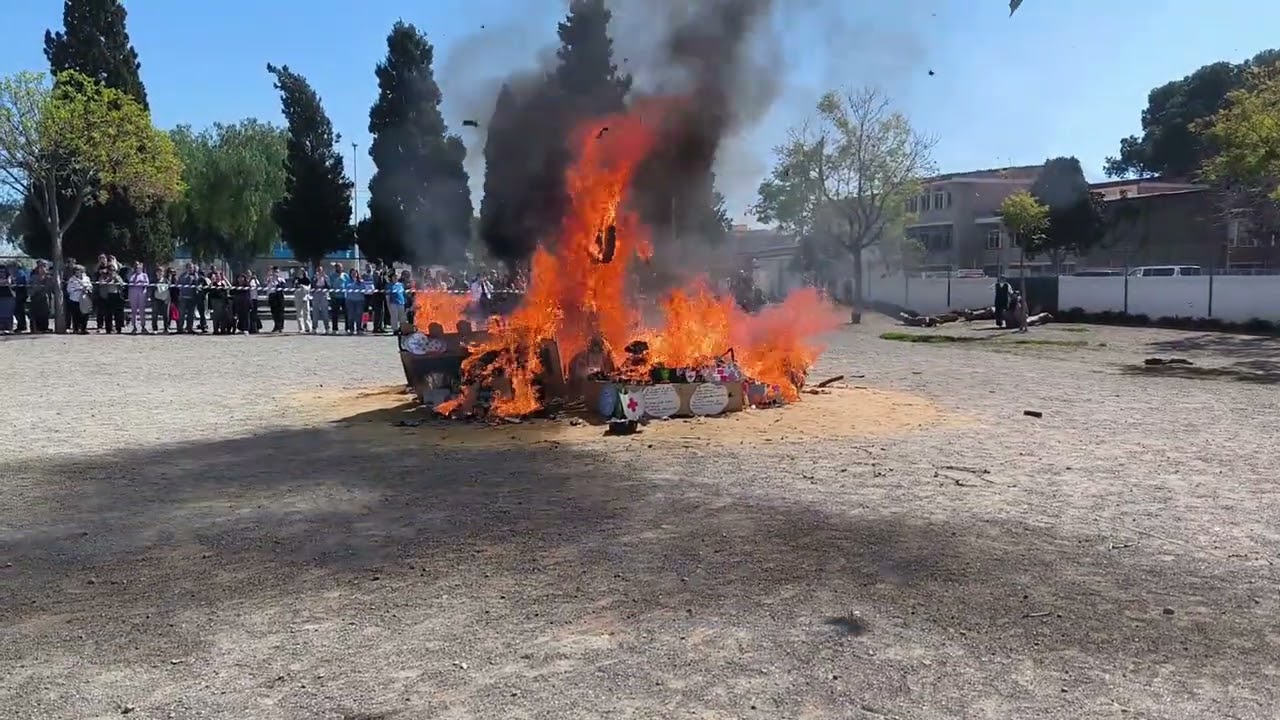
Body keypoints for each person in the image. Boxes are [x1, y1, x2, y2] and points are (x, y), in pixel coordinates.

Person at [28, 261, 56, 333]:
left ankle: (44, 328)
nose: (42, 269)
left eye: (44, 266)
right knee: (35, 314)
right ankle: (35, 329)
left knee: (45, 313)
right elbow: (32, 288)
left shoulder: (49, 277)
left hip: (45, 297)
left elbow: (52, 288)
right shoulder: (33, 277)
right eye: (40, 267)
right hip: (35, 297)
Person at [96, 264, 124, 333]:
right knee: (108, 314)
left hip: (117, 295)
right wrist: (108, 279)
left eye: (113, 270)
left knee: (118, 313)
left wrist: (116, 279)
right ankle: (108, 328)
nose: (112, 271)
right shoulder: (104, 276)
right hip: (108, 296)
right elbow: (100, 283)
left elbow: (122, 284)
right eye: (110, 270)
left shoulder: (117, 276)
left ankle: (118, 328)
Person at [66, 265, 92, 334]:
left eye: (79, 271)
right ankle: (76, 329)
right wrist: (79, 289)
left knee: (85, 314)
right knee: (76, 315)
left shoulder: (86, 278)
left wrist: (87, 288)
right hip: (75, 299)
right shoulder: (71, 279)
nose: (78, 273)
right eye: (76, 271)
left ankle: (84, 329)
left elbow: (90, 286)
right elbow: (69, 289)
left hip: (85, 298)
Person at [127, 261, 150, 333]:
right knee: (133, 311)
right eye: (137, 267)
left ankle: (143, 326)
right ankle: (134, 326)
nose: (138, 268)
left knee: (142, 311)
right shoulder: (132, 275)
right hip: (133, 294)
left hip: (142, 294)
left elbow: (147, 283)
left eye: (139, 267)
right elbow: (130, 282)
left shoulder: (144, 275)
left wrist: (141, 283)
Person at [177, 263, 200, 333]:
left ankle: (189, 328)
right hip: (183, 297)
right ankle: (180, 328)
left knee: (191, 314)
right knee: (182, 314)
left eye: (192, 268)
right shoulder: (182, 275)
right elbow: (179, 283)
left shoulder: (195, 276)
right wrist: (187, 275)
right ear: (186, 268)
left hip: (192, 298)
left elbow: (197, 284)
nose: (191, 269)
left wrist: (196, 277)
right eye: (190, 268)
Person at [327, 262, 347, 334]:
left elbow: (348, 284)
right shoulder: (332, 276)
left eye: (340, 267)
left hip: (344, 297)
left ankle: (347, 328)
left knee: (346, 313)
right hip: (335, 297)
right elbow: (330, 285)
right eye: (337, 267)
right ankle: (335, 329)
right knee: (335, 314)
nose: (339, 268)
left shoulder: (345, 276)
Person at [265, 265, 286, 332]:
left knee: (280, 311)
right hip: (272, 295)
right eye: (274, 271)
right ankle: (276, 325)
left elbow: (283, 285)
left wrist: (277, 279)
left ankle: (280, 326)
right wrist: (269, 275)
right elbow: (266, 282)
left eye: (277, 272)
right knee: (274, 312)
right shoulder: (270, 278)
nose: (275, 273)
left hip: (279, 295)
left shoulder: (281, 278)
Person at [345, 268, 366, 335]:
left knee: (359, 315)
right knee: (350, 315)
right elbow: (346, 289)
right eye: (352, 273)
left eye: (355, 273)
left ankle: (359, 329)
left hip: (359, 300)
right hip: (350, 300)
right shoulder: (347, 281)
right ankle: (351, 329)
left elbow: (363, 290)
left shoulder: (361, 282)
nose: (354, 274)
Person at [310, 266, 331, 334]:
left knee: (325, 312)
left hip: (323, 295)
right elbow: (312, 285)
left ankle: (327, 328)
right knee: (315, 312)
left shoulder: (326, 277)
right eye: (318, 270)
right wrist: (316, 278)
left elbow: (329, 286)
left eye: (320, 271)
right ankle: (314, 328)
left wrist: (324, 278)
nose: (319, 272)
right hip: (316, 295)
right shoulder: (314, 277)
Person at [151, 267, 172, 333]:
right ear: (156, 273)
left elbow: (169, 290)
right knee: (155, 314)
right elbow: (151, 290)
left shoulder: (166, 280)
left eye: (161, 272)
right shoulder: (153, 281)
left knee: (166, 315)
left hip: (165, 299)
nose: (160, 273)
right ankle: (155, 329)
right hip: (156, 299)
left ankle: (166, 328)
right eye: (158, 272)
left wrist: (168, 298)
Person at [292, 267, 312, 333]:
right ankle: (301, 328)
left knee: (306, 312)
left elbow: (308, 288)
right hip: (298, 297)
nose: (300, 273)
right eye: (299, 271)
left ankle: (308, 327)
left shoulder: (307, 279)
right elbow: (293, 287)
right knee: (299, 313)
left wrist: (303, 286)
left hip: (305, 297)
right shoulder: (296, 279)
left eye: (302, 271)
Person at [0, 265, 14, 334]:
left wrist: (4, 282)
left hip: (8, 296)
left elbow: (9, 282)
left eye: (3, 272)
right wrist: (3, 282)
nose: (1, 273)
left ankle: (10, 328)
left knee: (8, 314)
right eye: (0, 272)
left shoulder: (9, 276)